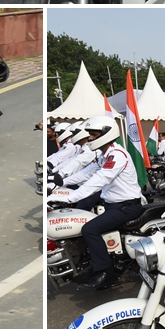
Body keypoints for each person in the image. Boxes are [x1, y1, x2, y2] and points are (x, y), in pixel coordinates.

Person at [47, 118, 143, 290]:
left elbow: (99, 179)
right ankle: (94, 264)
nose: (90, 138)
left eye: (93, 134)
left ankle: (107, 273)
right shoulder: (104, 155)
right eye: (90, 134)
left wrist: (70, 198)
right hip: (114, 205)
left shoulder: (117, 156)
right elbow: (87, 173)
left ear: (107, 134)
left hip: (127, 206)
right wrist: (59, 183)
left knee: (89, 229)